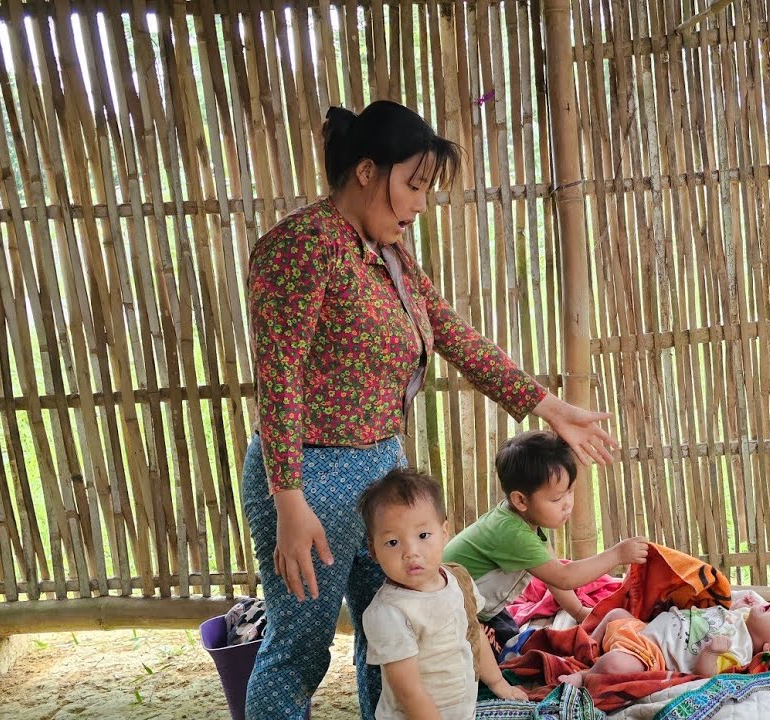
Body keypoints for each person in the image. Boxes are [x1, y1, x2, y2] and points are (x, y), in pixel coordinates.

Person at [241, 100, 618, 719]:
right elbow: (277, 379)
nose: (420, 205)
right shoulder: (301, 249)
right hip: (309, 478)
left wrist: (546, 404)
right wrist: (288, 499)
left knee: (388, 642)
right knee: (300, 650)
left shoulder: (388, 255)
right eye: (413, 185)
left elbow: (454, 334)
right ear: (367, 171)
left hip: (382, 473)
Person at [442, 430, 649, 650]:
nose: (568, 503)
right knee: (505, 656)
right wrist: (617, 555)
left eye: (570, 491)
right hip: (448, 615)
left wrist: (578, 612)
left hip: (482, 609)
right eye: (557, 498)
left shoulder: (525, 520)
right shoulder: (512, 533)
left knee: (514, 641)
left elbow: (554, 573)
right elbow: (564, 577)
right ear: (521, 500)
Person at [358, 467, 527, 718]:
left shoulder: (457, 579)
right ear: (374, 551)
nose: (411, 552)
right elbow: (409, 692)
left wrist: (498, 683)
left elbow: (475, 633)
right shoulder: (388, 613)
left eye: (423, 535)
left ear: (444, 533)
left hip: (461, 709)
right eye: (393, 542)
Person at [558, 595, 770, 686]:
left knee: (615, 665)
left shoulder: (740, 654)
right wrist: (737, 605)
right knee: (615, 613)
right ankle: (583, 648)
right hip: (643, 628)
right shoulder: (745, 616)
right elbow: (720, 615)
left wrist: (711, 653)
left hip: (650, 653)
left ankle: (584, 677)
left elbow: (705, 676)